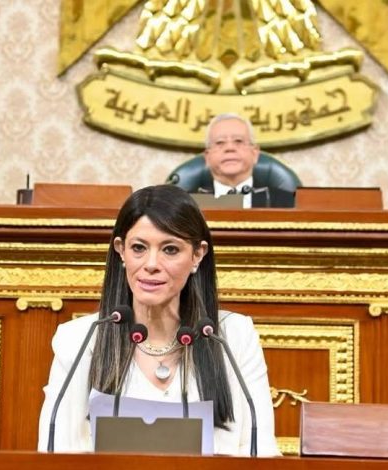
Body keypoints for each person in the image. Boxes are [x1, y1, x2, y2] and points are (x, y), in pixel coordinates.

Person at [37, 184, 279, 456]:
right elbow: (56, 451)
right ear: (121, 251)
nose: (151, 264)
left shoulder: (233, 336)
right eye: (138, 248)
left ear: (197, 254)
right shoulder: (80, 339)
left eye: (170, 249)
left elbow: (261, 451)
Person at [201, 113, 295, 208]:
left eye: (238, 141)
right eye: (220, 142)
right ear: (207, 157)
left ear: (254, 153)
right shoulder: (192, 205)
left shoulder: (288, 203)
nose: (230, 148)